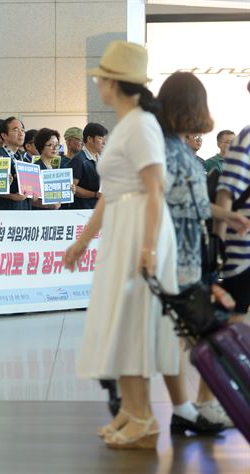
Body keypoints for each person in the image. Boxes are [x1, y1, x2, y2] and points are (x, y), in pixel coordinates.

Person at [64, 41, 180, 450]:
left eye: (102, 76)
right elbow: (110, 194)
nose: (98, 82)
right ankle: (133, 412)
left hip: (140, 229)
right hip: (124, 225)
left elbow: (154, 188)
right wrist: (82, 242)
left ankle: (145, 416)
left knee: (133, 319)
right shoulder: (125, 126)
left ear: (114, 82)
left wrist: (148, 247)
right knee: (120, 319)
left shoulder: (141, 124)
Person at [156, 72, 250, 433]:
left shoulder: (179, 148)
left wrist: (225, 217)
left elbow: (201, 203)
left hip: (190, 254)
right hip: (175, 255)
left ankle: (195, 407)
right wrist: (226, 222)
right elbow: (170, 202)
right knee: (198, 332)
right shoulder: (166, 149)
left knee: (197, 332)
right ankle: (193, 407)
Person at [215, 80, 250, 333]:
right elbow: (226, 193)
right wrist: (217, 244)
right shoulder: (246, 138)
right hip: (243, 252)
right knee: (233, 331)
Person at [0, 117, 30, 211]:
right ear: (4, 135)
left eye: (23, 130)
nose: (21, 133)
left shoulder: (22, 157)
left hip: (23, 209)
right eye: (16, 130)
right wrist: (12, 196)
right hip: (5, 212)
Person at [67, 123, 107, 210]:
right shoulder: (79, 159)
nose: (104, 142)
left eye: (104, 139)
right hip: (82, 210)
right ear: (89, 139)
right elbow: (72, 187)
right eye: (100, 138)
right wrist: (94, 194)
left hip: (97, 208)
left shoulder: (100, 158)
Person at [32, 128, 71, 210]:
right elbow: (31, 200)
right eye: (50, 145)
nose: (55, 148)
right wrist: (48, 205)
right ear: (41, 146)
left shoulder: (54, 168)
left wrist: (69, 191)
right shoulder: (35, 169)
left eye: (57, 145)